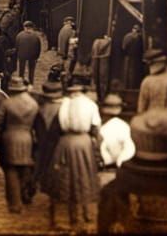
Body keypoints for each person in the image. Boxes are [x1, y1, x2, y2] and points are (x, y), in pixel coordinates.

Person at [45, 81, 101, 229]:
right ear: (83, 90)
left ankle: (73, 216)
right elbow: (95, 128)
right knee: (84, 176)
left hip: (66, 142)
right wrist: (96, 144)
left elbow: (56, 128)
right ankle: (85, 214)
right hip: (83, 142)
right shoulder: (90, 104)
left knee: (66, 177)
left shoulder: (64, 104)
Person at [0, 75, 38, 213]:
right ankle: (25, 195)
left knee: (11, 172)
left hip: (10, 139)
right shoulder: (33, 103)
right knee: (25, 170)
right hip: (27, 139)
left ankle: (14, 203)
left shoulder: (7, 103)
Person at [96, 94, 135, 234]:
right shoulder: (124, 127)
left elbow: (101, 150)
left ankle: (105, 228)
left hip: (106, 170)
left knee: (106, 203)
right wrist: (121, 162)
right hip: (122, 170)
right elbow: (130, 148)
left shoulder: (102, 129)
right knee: (123, 202)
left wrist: (107, 161)